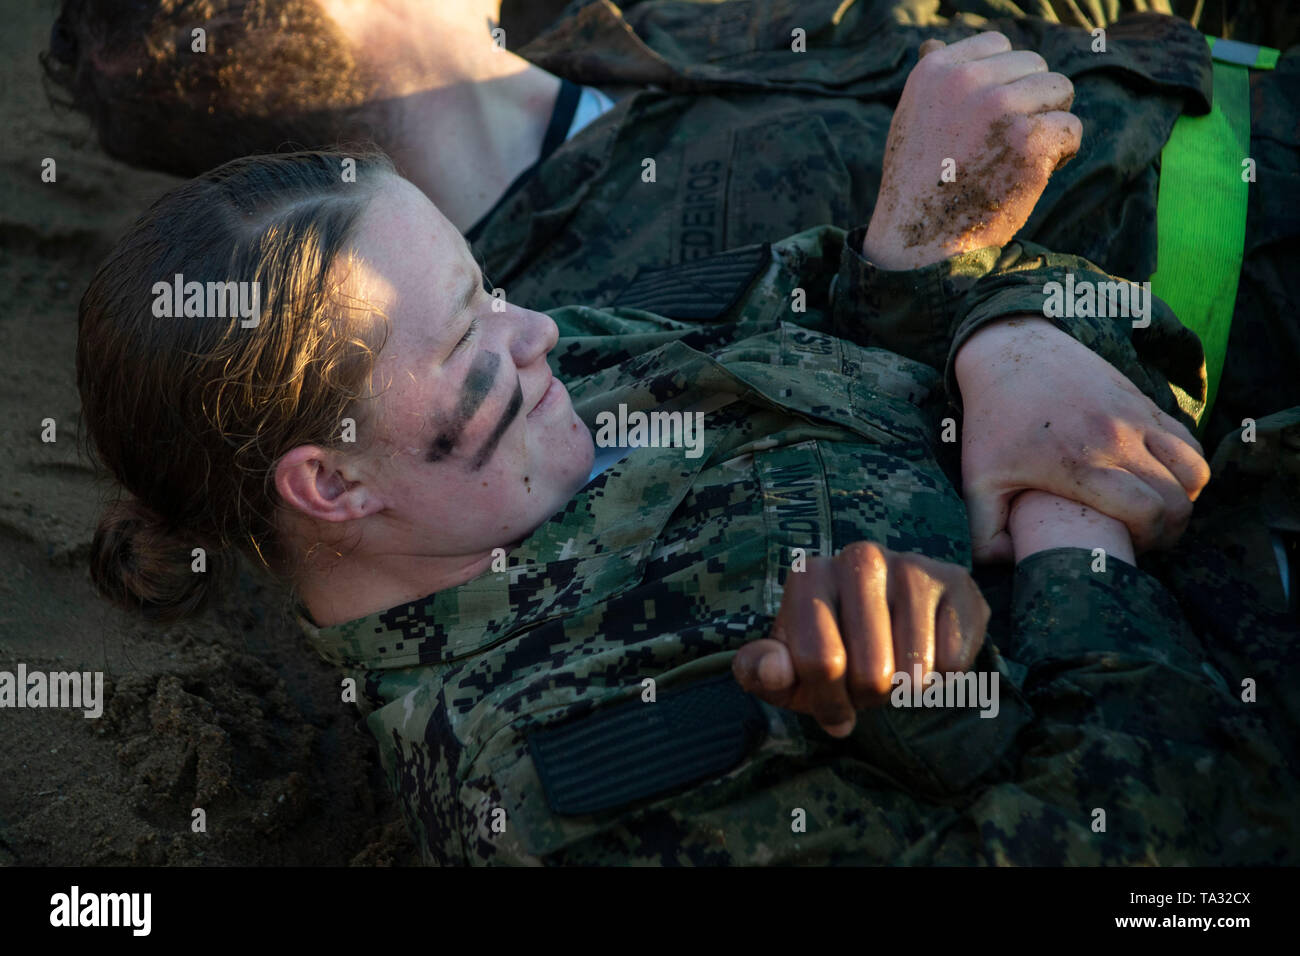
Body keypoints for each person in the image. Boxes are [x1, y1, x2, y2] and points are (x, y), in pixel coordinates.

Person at [75, 48, 1296, 861]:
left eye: (486, 284)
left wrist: (993, 322)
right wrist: (1065, 531)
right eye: (469, 338)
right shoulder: (565, 769)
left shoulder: (549, 390)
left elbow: (860, 292)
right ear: (330, 482)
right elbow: (1183, 833)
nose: (540, 325)